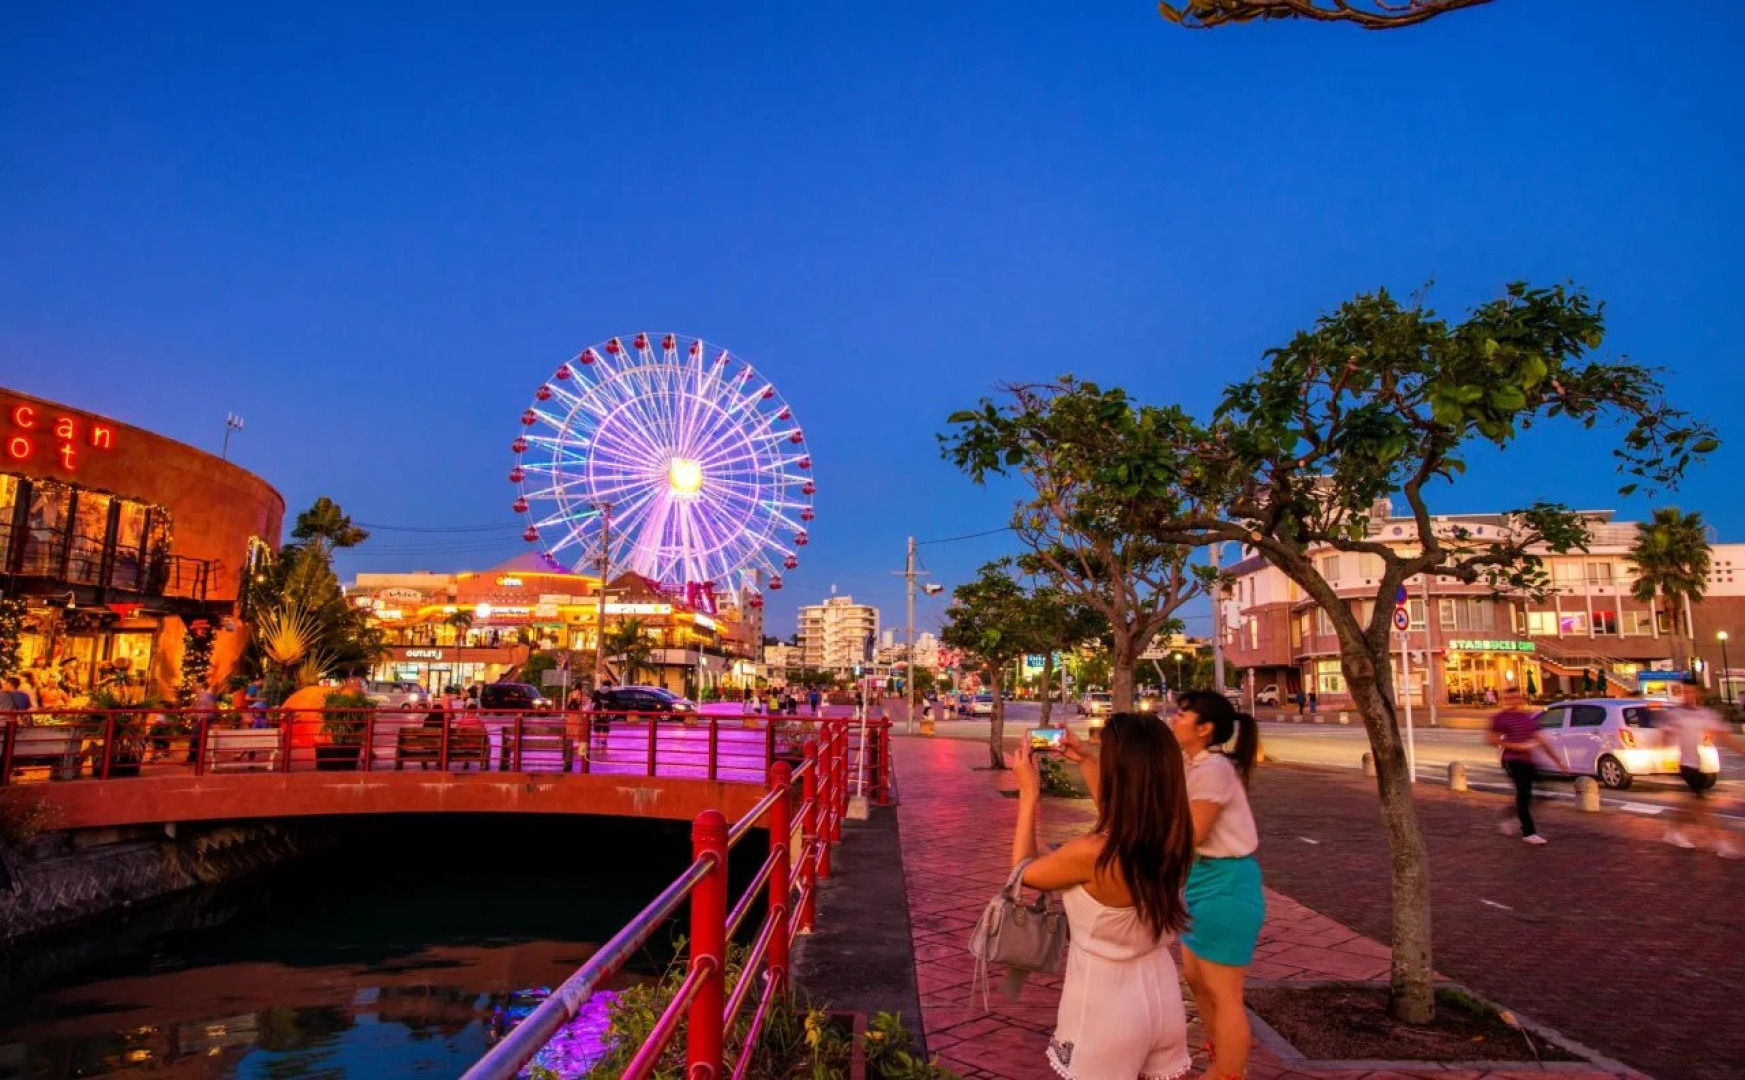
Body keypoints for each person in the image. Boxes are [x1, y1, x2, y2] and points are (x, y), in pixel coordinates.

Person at [1011, 712, 1196, 1080]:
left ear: (1120, 776)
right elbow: (1123, 817)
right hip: (1163, 997)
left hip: (1105, 1010)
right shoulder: (1175, 837)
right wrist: (1085, 759)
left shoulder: (1093, 854)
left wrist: (1029, 795)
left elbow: (1022, 873)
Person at [1165, 690, 1266, 1080]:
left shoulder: (1213, 770)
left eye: (1182, 715)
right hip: (1202, 880)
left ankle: (1229, 1071)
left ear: (1205, 728)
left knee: (1225, 994)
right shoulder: (1192, 763)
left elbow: (1192, 836)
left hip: (1226, 885)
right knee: (1196, 978)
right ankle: (1220, 1055)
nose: (1174, 719)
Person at [1661, 681, 1745, 857]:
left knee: (1691, 801)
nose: (1688, 695)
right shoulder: (1676, 714)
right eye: (1685, 692)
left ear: (1697, 693)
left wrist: (1742, 751)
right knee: (1701, 804)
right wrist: (1664, 740)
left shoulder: (1704, 714)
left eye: (1691, 692)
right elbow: (1664, 736)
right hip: (1685, 765)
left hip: (1697, 764)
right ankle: (1721, 844)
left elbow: (1724, 736)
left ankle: (1673, 831)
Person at [1487, 685, 1563, 844]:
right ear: (1505, 700)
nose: (1514, 701)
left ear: (1521, 699)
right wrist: (1515, 746)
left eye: (1517, 697)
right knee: (1524, 793)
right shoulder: (1500, 718)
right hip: (1512, 760)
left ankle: (1507, 814)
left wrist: (1557, 760)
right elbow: (1491, 739)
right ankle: (1529, 832)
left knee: (1544, 793)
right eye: (1510, 698)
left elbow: (1540, 739)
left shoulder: (1527, 717)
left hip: (1529, 760)